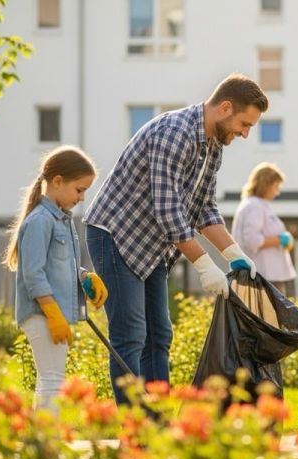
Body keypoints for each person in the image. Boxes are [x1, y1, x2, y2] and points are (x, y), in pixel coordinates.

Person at [84, 73, 267, 404]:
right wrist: (204, 263)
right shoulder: (174, 133)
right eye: (244, 124)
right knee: (131, 335)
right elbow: (167, 211)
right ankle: (136, 429)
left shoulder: (213, 147)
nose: (244, 133)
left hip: (152, 244)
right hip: (116, 235)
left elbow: (204, 209)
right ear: (225, 107)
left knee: (160, 334)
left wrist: (234, 253)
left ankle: (159, 421)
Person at [4, 146, 109, 413]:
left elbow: (62, 265)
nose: (82, 197)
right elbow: (33, 273)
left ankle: (43, 441)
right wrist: (51, 311)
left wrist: (85, 276)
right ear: (58, 181)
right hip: (42, 313)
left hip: (51, 313)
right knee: (53, 381)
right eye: (79, 189)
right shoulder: (40, 220)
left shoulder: (62, 220)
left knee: (50, 379)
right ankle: (48, 445)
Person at [232, 162, 298, 297]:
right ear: (266, 184)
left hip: (268, 275)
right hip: (264, 276)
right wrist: (280, 240)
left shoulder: (258, 205)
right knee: (269, 317)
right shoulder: (254, 206)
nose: (277, 192)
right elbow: (252, 240)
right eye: (276, 186)